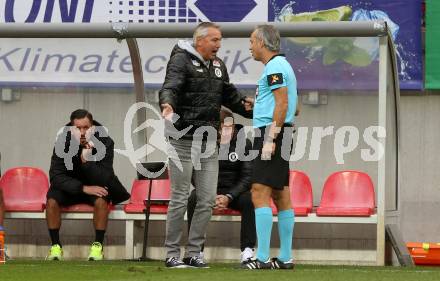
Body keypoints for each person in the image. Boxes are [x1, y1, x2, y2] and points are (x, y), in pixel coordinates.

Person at [159, 22, 253, 268]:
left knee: (207, 198)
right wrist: (167, 103)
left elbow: (230, 96)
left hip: (209, 141)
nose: (219, 45)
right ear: (199, 40)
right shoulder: (181, 60)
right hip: (182, 140)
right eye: (215, 40)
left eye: (220, 40)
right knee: (180, 197)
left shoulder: (219, 66)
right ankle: (171, 254)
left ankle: (193, 253)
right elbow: (171, 86)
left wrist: (246, 106)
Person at [242, 25, 297, 270]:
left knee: (258, 191)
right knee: (281, 193)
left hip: (271, 133)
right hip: (283, 131)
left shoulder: (274, 67)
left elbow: (283, 104)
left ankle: (262, 258)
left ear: (262, 43)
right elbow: (294, 107)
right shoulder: (284, 66)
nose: (250, 47)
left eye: (252, 42)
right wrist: (260, 103)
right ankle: (285, 258)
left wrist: (270, 139)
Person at [46, 109, 130, 261]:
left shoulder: (105, 142)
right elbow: (56, 176)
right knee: (51, 200)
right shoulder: (62, 142)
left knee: (102, 199)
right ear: (72, 129)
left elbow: (106, 176)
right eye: (78, 128)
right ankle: (55, 246)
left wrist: (86, 162)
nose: (82, 132)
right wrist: (82, 188)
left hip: (95, 185)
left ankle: (97, 246)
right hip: (70, 187)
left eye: (86, 127)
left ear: (93, 127)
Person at [187, 108, 255, 264]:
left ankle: (247, 251)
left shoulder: (244, 143)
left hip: (234, 193)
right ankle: (196, 251)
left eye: (229, 128)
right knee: (193, 198)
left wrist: (229, 196)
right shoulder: (201, 143)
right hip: (208, 190)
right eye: (222, 129)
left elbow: (248, 176)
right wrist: (210, 194)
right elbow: (193, 175)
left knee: (250, 200)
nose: (226, 132)